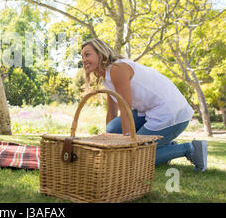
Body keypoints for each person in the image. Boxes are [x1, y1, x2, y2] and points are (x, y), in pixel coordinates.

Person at [80, 39, 207, 172]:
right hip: (149, 111)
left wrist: (127, 144)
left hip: (171, 112)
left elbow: (125, 108)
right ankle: (166, 146)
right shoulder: (106, 77)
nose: (84, 60)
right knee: (112, 128)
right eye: (82, 57)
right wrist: (107, 140)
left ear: (100, 54)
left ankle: (190, 149)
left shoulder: (117, 69)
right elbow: (112, 111)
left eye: (87, 55)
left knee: (134, 158)